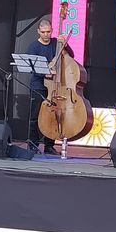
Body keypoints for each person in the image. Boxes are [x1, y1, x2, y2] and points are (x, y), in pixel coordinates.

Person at [26, 19, 73, 155]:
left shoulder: (55, 43)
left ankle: (49, 146)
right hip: (38, 85)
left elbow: (71, 56)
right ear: (38, 31)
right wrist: (46, 72)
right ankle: (33, 144)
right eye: (43, 32)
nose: (46, 35)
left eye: (49, 32)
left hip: (55, 86)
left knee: (53, 115)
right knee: (34, 116)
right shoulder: (33, 47)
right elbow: (32, 68)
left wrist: (64, 43)